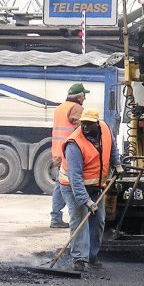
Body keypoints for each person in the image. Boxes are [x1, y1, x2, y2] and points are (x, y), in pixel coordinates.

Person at [58, 108, 122, 272]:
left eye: (88, 124)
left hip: (95, 186)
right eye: (82, 124)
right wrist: (86, 201)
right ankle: (79, 259)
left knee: (99, 220)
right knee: (80, 219)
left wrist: (117, 164)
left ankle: (92, 256)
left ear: (97, 123)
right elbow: (75, 178)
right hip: (73, 187)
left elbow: (112, 147)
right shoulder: (75, 144)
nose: (84, 127)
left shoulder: (105, 129)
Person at [49, 83, 89, 228]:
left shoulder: (60, 107)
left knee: (60, 185)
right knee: (70, 186)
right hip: (70, 153)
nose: (85, 99)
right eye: (84, 96)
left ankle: (55, 218)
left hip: (59, 151)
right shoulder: (77, 108)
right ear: (79, 96)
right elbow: (83, 128)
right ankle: (72, 219)